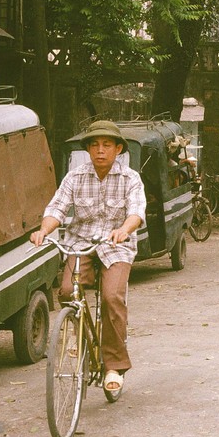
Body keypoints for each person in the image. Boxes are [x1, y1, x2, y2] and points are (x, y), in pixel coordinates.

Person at [30, 120, 146, 395]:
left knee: (111, 297)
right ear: (88, 149)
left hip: (116, 244)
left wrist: (123, 230)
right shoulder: (75, 177)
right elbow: (57, 209)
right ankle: (77, 333)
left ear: (118, 149)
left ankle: (113, 366)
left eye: (107, 145)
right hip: (80, 242)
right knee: (68, 290)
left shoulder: (130, 178)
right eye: (94, 145)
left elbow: (136, 213)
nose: (100, 150)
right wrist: (43, 230)